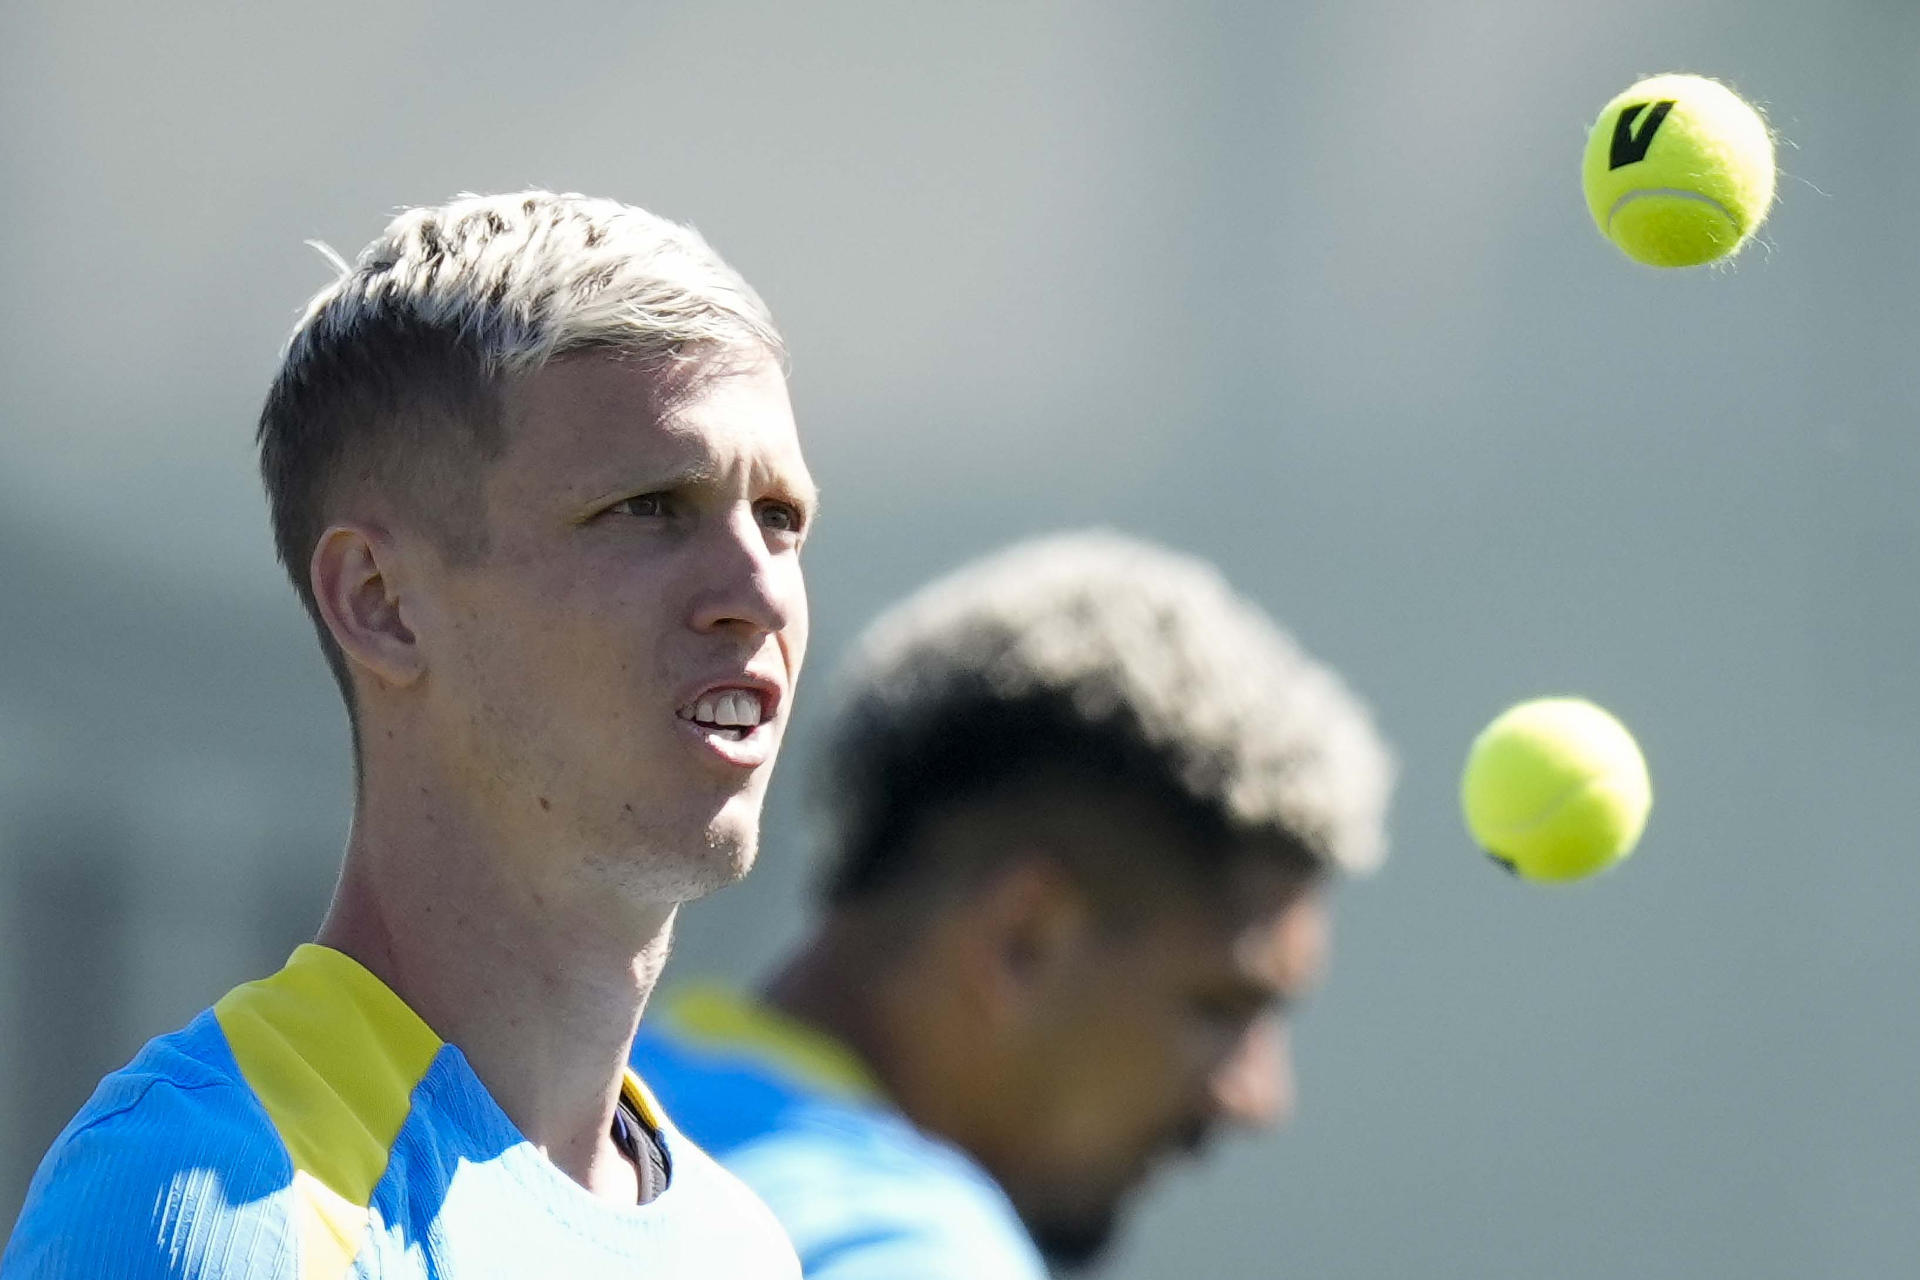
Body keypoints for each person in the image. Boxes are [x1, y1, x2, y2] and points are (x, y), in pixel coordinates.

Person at [2, 191, 815, 1278]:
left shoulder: (742, 1244)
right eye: (648, 507)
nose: (758, 595)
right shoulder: (209, 1197)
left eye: (780, 517)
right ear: (380, 601)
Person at [632, 530, 1395, 1277]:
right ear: (1022, 939)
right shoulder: (917, 1253)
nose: (1257, 1100)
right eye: (1220, 1006)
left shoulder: (583, 1117)